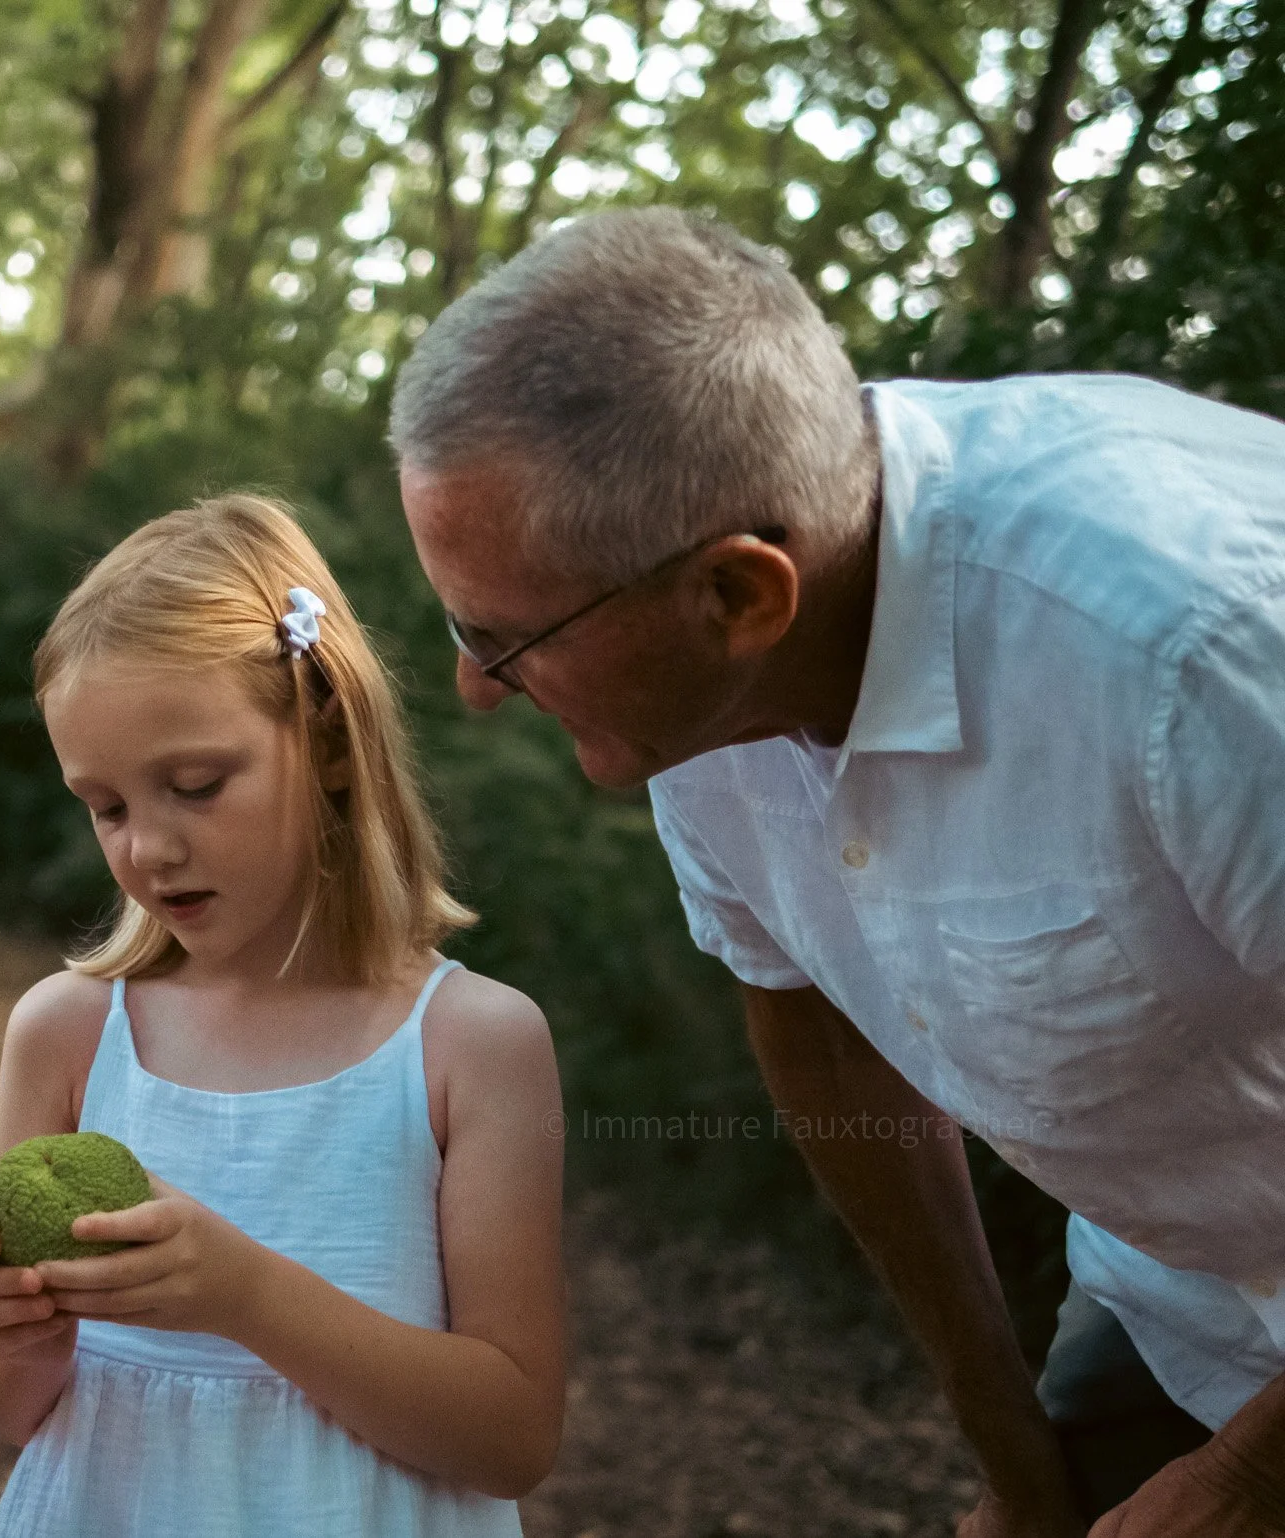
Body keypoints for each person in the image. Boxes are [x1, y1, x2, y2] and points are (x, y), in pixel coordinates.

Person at [387, 205, 1285, 1538]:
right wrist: (1013, 1455)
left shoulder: (1194, 655)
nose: (475, 686)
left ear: (743, 597)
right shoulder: (691, 664)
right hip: (1177, 1287)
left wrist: (1250, 1478)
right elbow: (821, 1032)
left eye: (505, 636)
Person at [0, 494, 566, 1535]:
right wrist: (12, 1343)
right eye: (105, 806)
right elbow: (15, 1413)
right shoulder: (65, 1034)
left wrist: (244, 1295)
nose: (146, 847)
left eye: (194, 784)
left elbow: (510, 1435)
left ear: (327, 732)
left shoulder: (470, 1045)